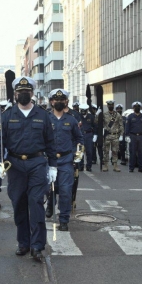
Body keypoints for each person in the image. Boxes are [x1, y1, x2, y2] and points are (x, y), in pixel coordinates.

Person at [0, 77, 57, 262]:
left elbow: (51, 143)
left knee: (36, 203)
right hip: (15, 165)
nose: (23, 95)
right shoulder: (7, 115)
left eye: (27, 92)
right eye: (20, 92)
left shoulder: (42, 115)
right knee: (19, 203)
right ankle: (23, 242)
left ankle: (37, 246)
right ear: (15, 94)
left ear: (32, 93)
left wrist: (53, 166)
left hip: (37, 163)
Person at [45, 89, 83, 231]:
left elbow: (79, 139)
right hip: (49, 160)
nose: (59, 102)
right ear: (51, 102)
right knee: (50, 189)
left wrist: (78, 154)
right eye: (56, 100)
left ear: (65, 102)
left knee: (66, 191)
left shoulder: (71, 120)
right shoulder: (46, 119)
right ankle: (50, 203)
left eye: (62, 100)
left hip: (66, 160)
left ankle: (64, 219)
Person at [125, 101, 142, 173]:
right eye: (135, 107)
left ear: (140, 108)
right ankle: (131, 167)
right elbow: (127, 127)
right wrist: (127, 136)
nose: (137, 108)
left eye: (138, 107)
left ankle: (141, 168)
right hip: (133, 136)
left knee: (141, 152)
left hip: (141, 136)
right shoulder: (130, 116)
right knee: (132, 152)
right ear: (133, 108)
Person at [101, 100, 124, 172]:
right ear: (107, 106)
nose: (110, 106)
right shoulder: (104, 114)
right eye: (109, 105)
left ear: (113, 105)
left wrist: (121, 135)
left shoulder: (117, 115)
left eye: (112, 105)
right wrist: (97, 115)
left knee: (115, 151)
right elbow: (97, 122)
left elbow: (121, 125)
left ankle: (115, 165)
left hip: (115, 136)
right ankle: (105, 165)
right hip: (107, 136)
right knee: (106, 151)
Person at [79, 103, 97, 172]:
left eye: (84, 110)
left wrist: (95, 135)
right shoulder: (78, 116)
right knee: (80, 152)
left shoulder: (91, 117)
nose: (83, 111)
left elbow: (95, 126)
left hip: (89, 135)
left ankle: (89, 166)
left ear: (87, 110)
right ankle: (81, 166)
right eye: (82, 110)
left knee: (89, 152)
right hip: (80, 135)